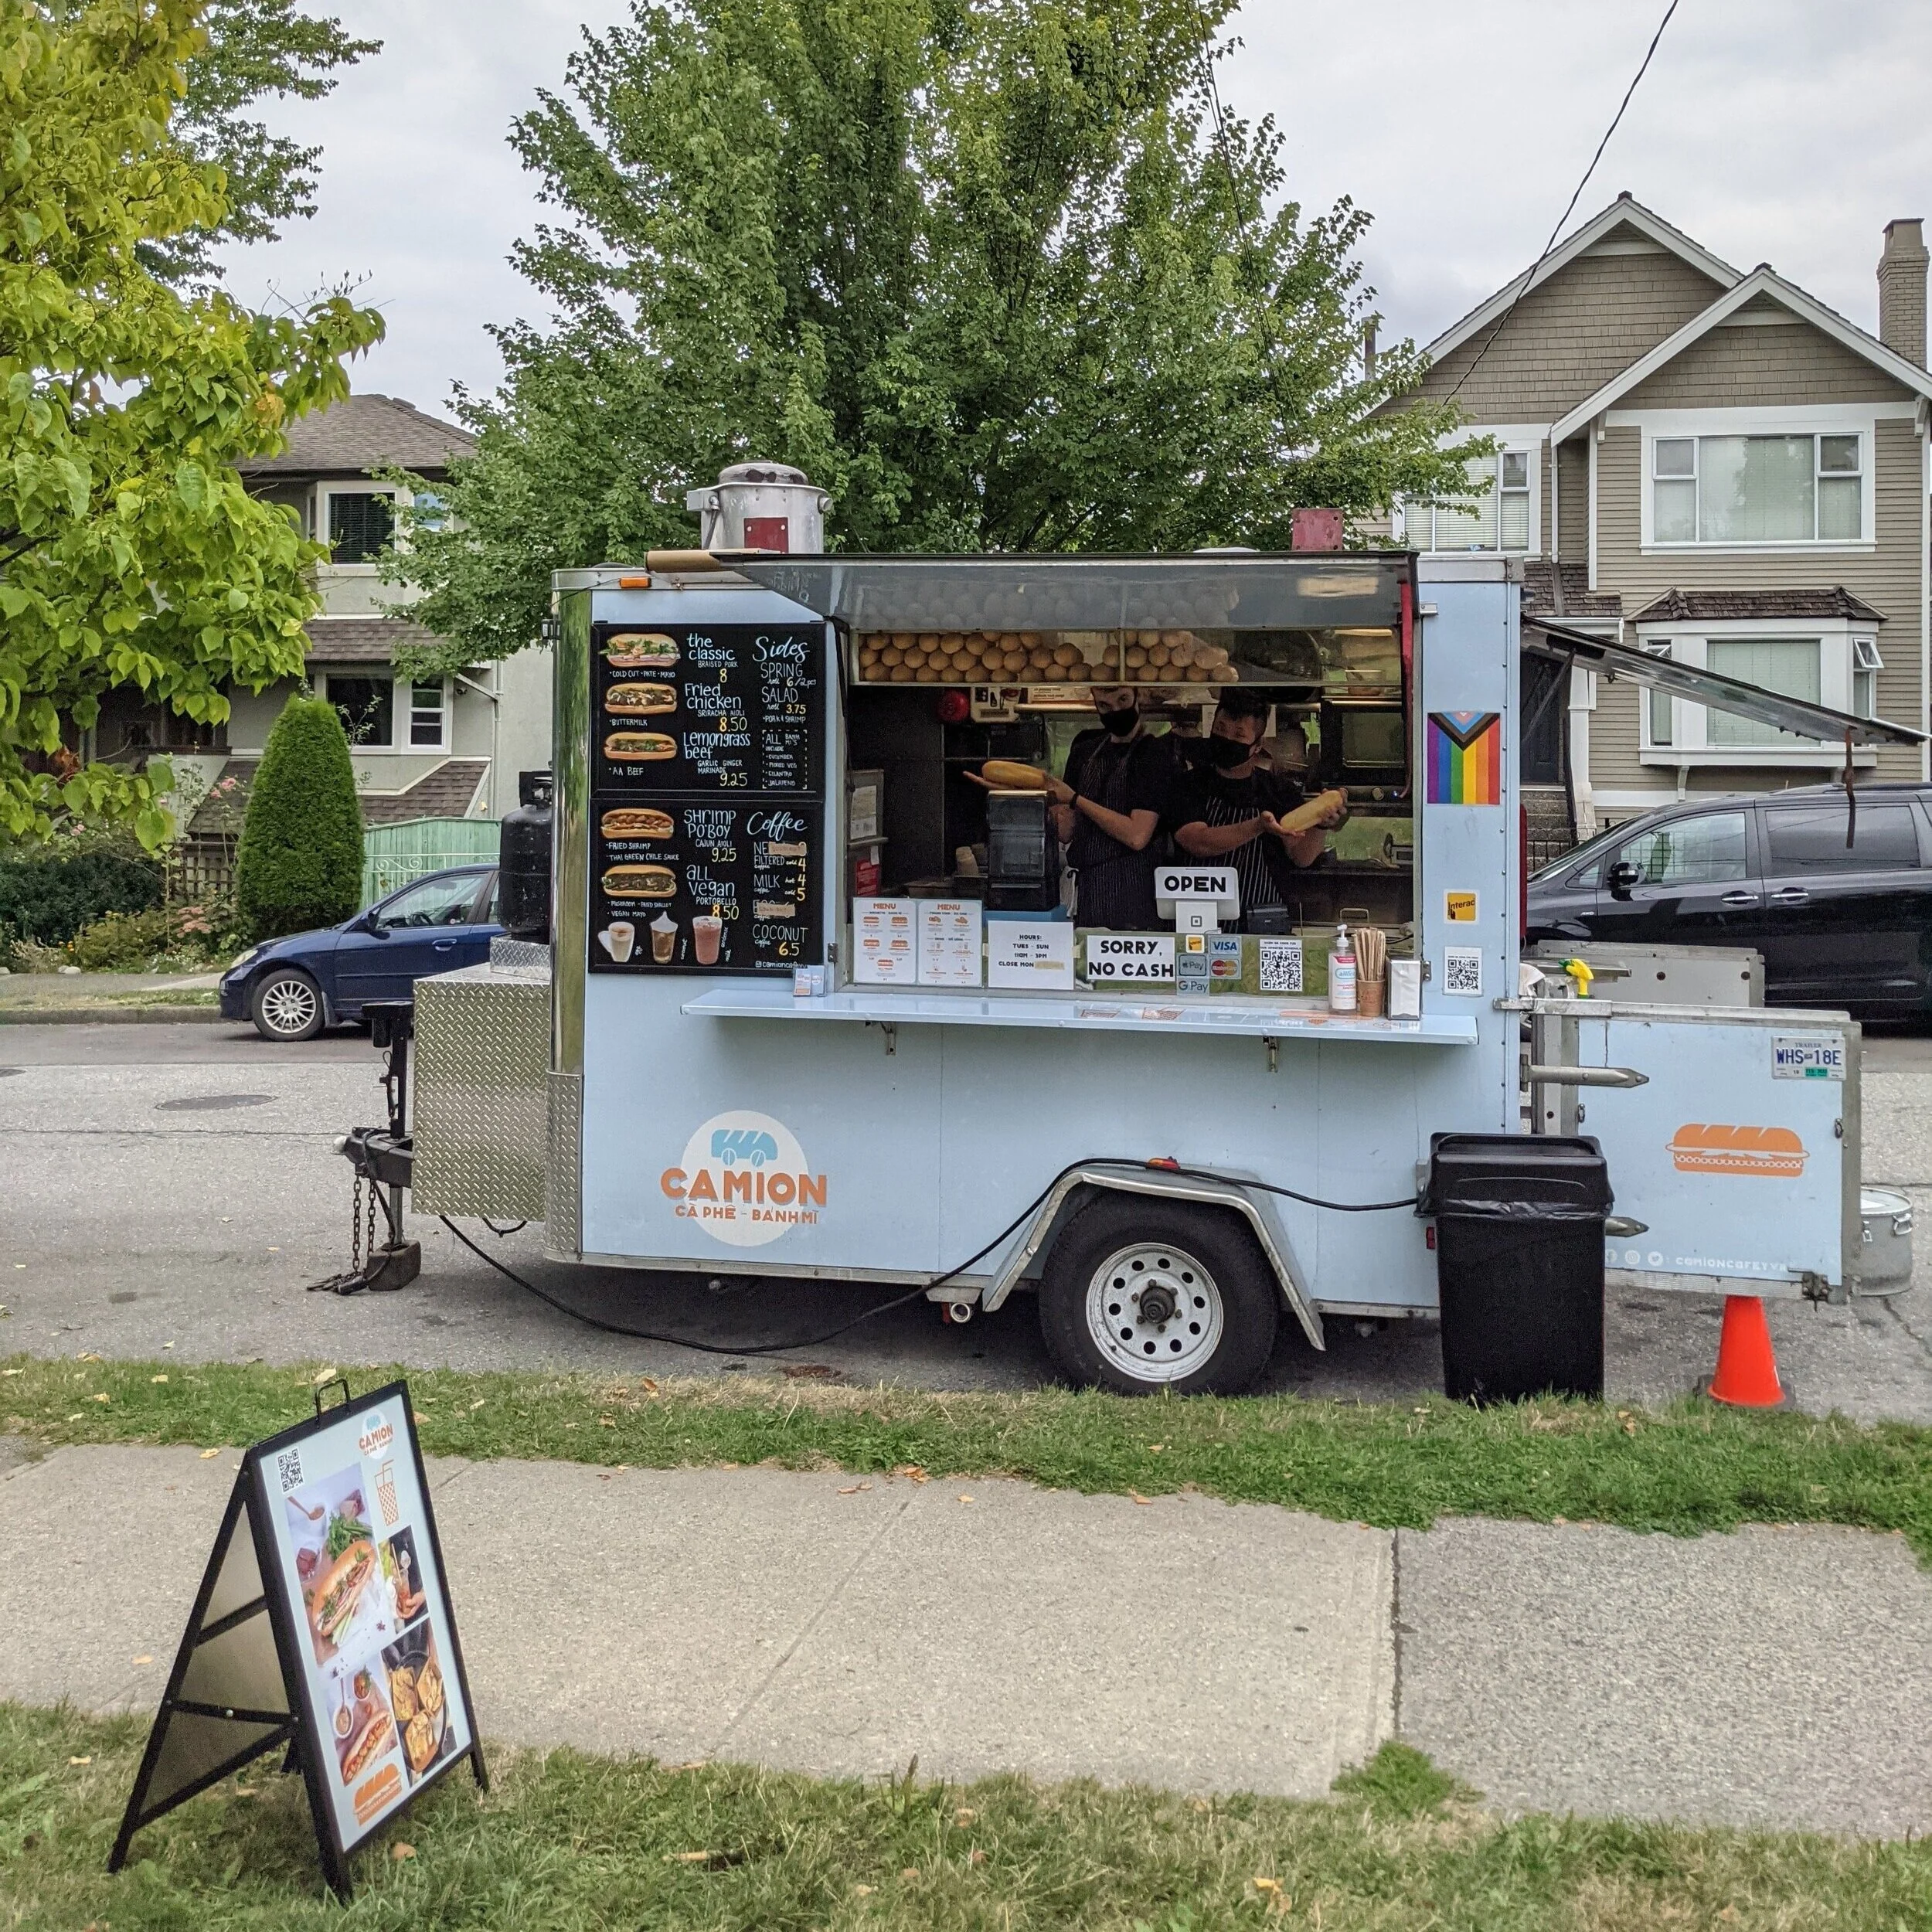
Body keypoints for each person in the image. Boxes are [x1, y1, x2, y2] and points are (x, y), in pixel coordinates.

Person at [1169, 689, 1348, 930]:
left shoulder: (1278, 791)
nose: (1227, 739)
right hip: (1198, 924)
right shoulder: (1188, 784)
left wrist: (1320, 823)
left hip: (1263, 924)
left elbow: (1302, 857)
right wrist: (1258, 826)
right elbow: (1197, 842)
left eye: (1239, 734)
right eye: (1220, 729)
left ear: (1257, 746)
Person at [1046, 686, 1178, 930]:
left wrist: (1076, 799)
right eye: (1105, 706)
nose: (1116, 710)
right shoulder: (1084, 750)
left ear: (1140, 696)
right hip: (1086, 893)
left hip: (1133, 895)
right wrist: (1041, 801)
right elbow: (1067, 831)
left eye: (1123, 700)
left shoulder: (1153, 754)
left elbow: (1137, 835)